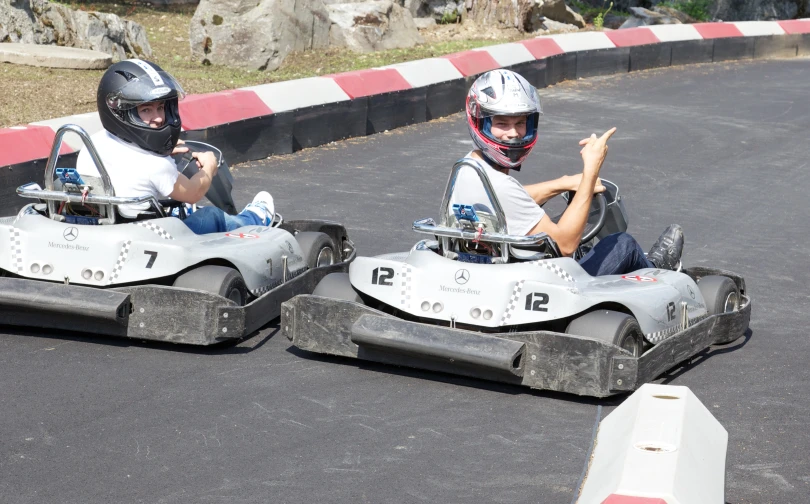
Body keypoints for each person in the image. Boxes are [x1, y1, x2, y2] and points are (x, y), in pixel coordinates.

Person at [450, 69, 683, 276]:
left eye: (520, 123)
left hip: (496, 268)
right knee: (622, 244)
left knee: (574, 234)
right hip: (542, 286)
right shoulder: (501, 187)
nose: (514, 133)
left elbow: (508, 199)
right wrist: (590, 172)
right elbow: (565, 245)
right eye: (502, 123)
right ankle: (658, 270)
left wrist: (562, 183)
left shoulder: (468, 169)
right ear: (480, 122)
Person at [75, 59, 274, 234]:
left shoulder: (92, 143)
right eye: (146, 110)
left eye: (160, 107)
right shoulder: (155, 165)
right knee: (211, 215)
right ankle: (255, 219)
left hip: (108, 226)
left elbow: (126, 165)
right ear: (120, 112)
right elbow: (193, 192)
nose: (159, 117)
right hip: (150, 238)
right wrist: (209, 168)